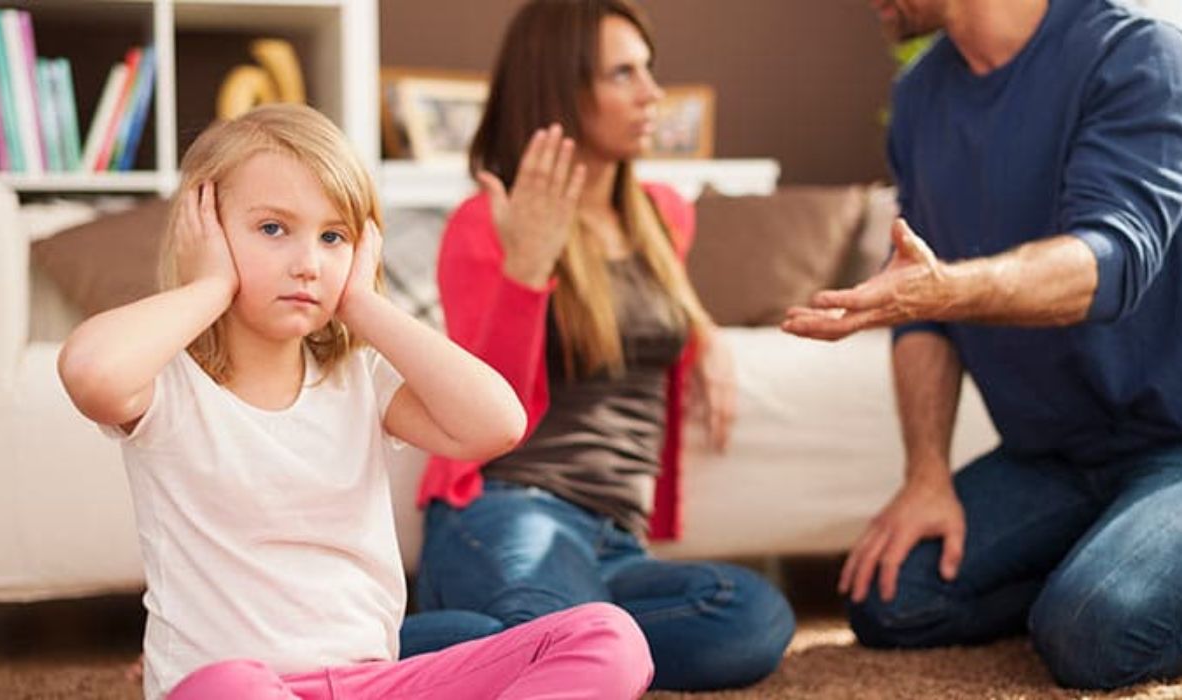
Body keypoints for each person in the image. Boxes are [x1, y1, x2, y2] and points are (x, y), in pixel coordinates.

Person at [57, 103, 655, 700]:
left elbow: (498, 425)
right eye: (272, 229)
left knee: (609, 636)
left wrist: (364, 304)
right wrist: (209, 284)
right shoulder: (169, 383)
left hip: (373, 682)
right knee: (229, 687)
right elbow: (90, 372)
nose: (307, 263)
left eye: (333, 236)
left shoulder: (360, 378)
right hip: (237, 689)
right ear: (204, 227)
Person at [783, 0, 1182, 690]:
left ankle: (1104, 586)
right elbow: (923, 309)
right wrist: (926, 475)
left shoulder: (1136, 55)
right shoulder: (919, 98)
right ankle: (1107, 567)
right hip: (1052, 459)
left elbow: (1111, 264)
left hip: (1171, 447)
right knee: (890, 603)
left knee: (1093, 630)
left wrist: (948, 291)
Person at [404, 0, 795, 691]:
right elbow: (482, 409)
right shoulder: (483, 224)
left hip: (617, 540)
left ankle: (510, 644)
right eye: (623, 74)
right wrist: (527, 268)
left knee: (752, 618)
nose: (651, 93)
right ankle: (366, 647)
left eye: (649, 70)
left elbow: (654, 312)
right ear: (561, 89)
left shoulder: (662, 216)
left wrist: (704, 332)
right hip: (508, 507)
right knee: (561, 632)